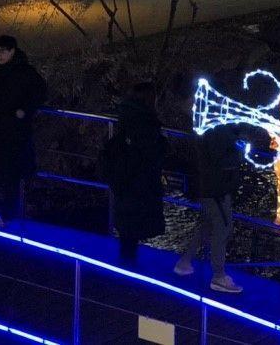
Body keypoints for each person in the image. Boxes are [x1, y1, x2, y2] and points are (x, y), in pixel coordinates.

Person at [0, 35, 47, 226]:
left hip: (14, 130)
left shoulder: (25, 72)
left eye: (2, 51)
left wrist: (25, 110)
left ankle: (7, 213)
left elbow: (40, 92)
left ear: (12, 51)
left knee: (11, 172)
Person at [102, 82, 167, 265]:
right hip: (139, 179)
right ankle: (128, 262)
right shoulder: (145, 123)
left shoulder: (127, 117)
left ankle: (126, 258)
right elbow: (151, 149)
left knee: (127, 219)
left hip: (125, 177)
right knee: (134, 218)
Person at [175, 123, 244, 293]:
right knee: (223, 228)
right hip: (217, 189)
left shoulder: (211, 128)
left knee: (208, 225)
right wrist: (240, 152)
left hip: (211, 186)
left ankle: (184, 262)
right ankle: (218, 277)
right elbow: (221, 159)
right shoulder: (219, 131)